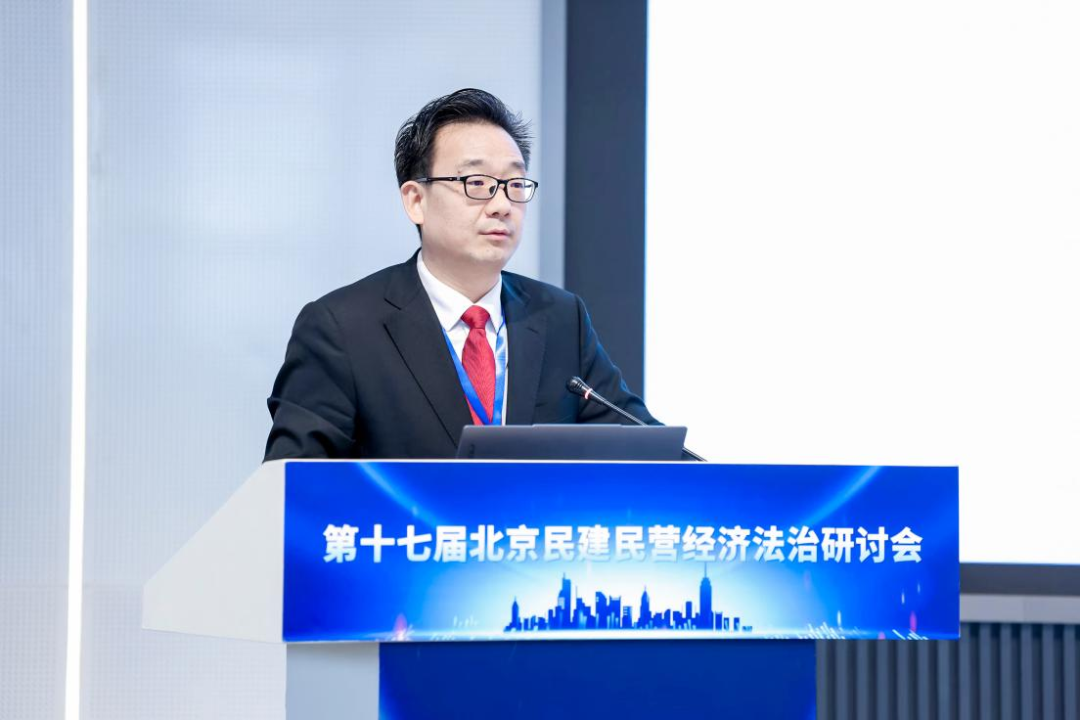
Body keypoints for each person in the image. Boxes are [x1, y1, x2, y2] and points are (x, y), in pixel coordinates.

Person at [264, 88, 657, 461]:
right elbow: (294, 482)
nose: (502, 205)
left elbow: (644, 448)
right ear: (416, 201)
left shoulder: (559, 317)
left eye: (515, 184)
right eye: (477, 183)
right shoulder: (342, 329)